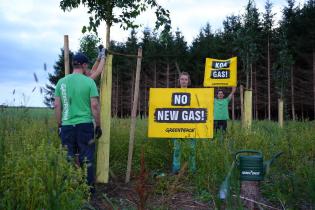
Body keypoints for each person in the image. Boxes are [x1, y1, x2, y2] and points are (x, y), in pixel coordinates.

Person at [54, 52, 102, 193]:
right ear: (84, 65)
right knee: (86, 158)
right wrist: (98, 125)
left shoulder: (61, 82)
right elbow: (94, 106)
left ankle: (66, 191)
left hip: (67, 126)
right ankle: (88, 191)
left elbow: (57, 106)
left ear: (74, 64)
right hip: (85, 126)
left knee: (67, 157)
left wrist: (59, 125)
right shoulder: (89, 82)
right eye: (88, 66)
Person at [172, 72, 196, 174]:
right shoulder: (174, 92)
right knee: (177, 149)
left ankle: (192, 169)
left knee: (192, 148)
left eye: (186, 79)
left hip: (191, 125)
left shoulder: (194, 93)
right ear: (179, 80)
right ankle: (176, 169)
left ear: (188, 81)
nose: (184, 81)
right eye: (182, 79)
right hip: (178, 125)